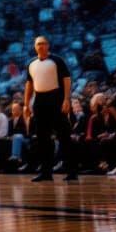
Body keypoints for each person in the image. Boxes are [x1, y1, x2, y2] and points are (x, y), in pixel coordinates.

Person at [23, 35, 77, 182]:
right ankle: (46, 172)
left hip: (56, 98)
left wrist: (66, 99)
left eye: (43, 43)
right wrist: (26, 104)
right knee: (42, 138)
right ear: (35, 47)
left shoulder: (57, 61)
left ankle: (72, 171)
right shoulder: (31, 64)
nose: (41, 46)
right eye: (38, 44)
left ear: (48, 45)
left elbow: (67, 79)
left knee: (64, 136)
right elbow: (29, 85)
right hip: (39, 101)